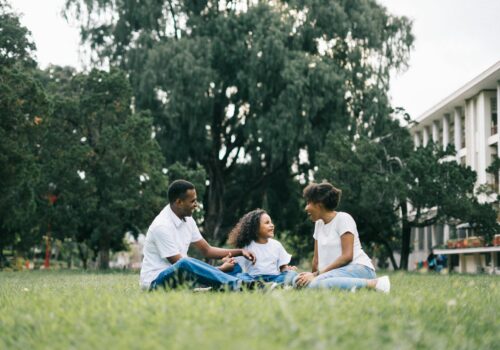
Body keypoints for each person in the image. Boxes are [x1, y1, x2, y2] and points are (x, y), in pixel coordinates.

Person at [139, 179, 256, 291]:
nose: (196, 205)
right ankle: (237, 284)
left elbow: (207, 250)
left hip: (183, 277)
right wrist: (220, 269)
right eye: (192, 201)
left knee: (234, 266)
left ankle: (253, 283)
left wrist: (240, 252)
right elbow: (182, 265)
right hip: (156, 282)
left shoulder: (188, 220)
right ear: (179, 202)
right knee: (185, 262)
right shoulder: (161, 226)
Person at [294, 182, 390, 293]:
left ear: (319, 204)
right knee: (299, 281)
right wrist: (311, 276)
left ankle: (375, 283)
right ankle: (347, 286)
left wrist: (316, 277)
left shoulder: (343, 218)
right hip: (335, 272)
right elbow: (316, 260)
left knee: (315, 284)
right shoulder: (319, 224)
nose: (306, 208)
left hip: (359, 268)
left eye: (308, 203)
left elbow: (347, 256)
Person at [225, 209, 298, 287]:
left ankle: (270, 286)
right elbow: (235, 264)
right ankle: (267, 286)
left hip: (274, 277)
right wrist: (228, 261)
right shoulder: (246, 247)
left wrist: (287, 270)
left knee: (293, 274)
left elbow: (283, 267)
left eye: (271, 222)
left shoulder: (277, 245)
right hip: (254, 279)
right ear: (255, 228)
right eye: (267, 223)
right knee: (240, 276)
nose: (272, 225)